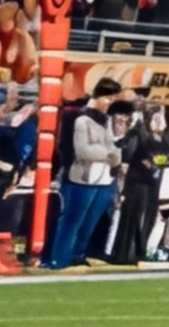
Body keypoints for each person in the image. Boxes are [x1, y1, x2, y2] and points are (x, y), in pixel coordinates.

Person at [51, 84, 123, 275]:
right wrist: (109, 154)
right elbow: (82, 150)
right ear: (99, 96)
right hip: (81, 177)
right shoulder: (81, 118)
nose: (110, 104)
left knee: (89, 222)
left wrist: (116, 151)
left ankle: (78, 255)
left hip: (103, 178)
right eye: (109, 99)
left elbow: (112, 145)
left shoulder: (105, 120)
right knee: (72, 221)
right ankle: (60, 258)